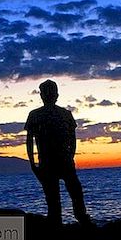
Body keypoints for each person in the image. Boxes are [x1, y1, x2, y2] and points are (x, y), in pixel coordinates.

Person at [24, 79, 91, 226]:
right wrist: (33, 164)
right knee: (65, 195)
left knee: (63, 196)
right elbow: (73, 140)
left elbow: (30, 142)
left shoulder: (41, 114)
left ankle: (76, 221)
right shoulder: (53, 114)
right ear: (56, 95)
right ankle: (79, 221)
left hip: (55, 162)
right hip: (55, 162)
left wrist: (33, 163)